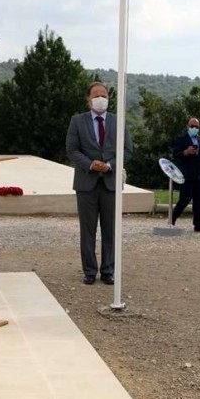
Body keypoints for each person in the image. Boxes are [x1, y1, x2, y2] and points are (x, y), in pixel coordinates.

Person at [66, 82, 132, 285]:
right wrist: (90, 164)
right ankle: (89, 271)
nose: (100, 99)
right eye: (96, 95)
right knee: (87, 230)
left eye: (103, 95)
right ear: (88, 99)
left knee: (110, 230)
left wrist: (110, 166)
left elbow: (127, 151)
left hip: (111, 184)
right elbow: (72, 149)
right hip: (86, 184)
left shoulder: (118, 121)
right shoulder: (77, 121)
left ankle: (108, 271)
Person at [171, 117, 200, 232]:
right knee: (184, 199)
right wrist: (186, 152)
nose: (194, 128)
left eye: (196, 127)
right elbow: (176, 154)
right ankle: (172, 219)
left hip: (199, 175)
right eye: (192, 126)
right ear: (187, 126)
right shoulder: (181, 139)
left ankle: (198, 224)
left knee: (199, 200)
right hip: (187, 174)